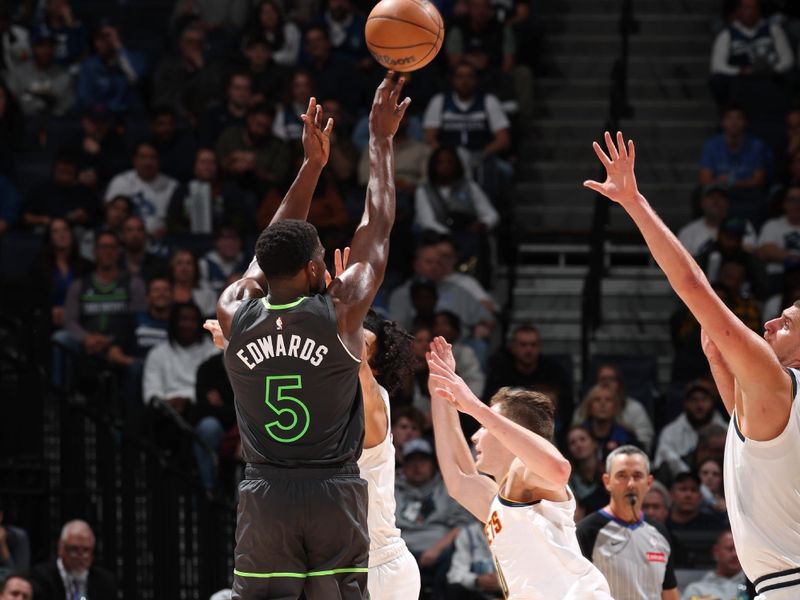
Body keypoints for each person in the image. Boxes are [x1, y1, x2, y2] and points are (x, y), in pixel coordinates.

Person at [215, 76, 409, 599]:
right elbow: (378, 227)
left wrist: (311, 166)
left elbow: (264, 254)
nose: (328, 262)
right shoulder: (341, 314)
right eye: (322, 257)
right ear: (310, 268)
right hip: (332, 490)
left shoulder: (233, 312)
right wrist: (381, 140)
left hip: (266, 490)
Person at [585, 130, 800, 597]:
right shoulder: (776, 401)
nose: (768, 324)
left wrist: (635, 203)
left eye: (785, 323)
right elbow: (746, 428)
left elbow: (693, 285)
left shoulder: (780, 384)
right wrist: (720, 363)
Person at [427, 336, 612, 598]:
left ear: (510, 433)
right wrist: (439, 390)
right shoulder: (500, 500)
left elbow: (559, 469)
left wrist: (474, 406)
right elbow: (459, 476)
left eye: (486, 426)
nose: (475, 435)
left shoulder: (527, 475)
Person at [576, 446, 679, 600]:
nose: (630, 484)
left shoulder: (660, 532)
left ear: (649, 482)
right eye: (622, 475)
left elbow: (669, 593)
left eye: (637, 476)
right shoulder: (587, 531)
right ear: (607, 481)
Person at [394, 437, 470, 596]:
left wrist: (437, 549)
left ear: (433, 464)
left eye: (422, 460)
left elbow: (462, 525)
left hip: (440, 551)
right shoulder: (391, 489)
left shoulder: (448, 488)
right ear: (404, 466)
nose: (417, 466)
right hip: (400, 553)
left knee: (457, 552)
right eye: (411, 461)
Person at [653, 378, 729, 482]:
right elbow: (660, 466)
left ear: (713, 402)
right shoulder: (670, 432)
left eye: (704, 399)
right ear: (685, 403)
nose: (699, 405)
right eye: (694, 400)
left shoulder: (728, 430)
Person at [104, 142, 179, 239]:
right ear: (134, 160)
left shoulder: (172, 186)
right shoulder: (121, 182)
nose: (148, 162)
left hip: (161, 240)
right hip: (123, 239)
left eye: (153, 157)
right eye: (142, 157)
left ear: (159, 160)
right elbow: (112, 217)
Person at [29, 520, 116, 600]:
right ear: (61, 549)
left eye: (86, 550)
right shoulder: (41, 578)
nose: (80, 556)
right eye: (74, 549)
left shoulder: (105, 581)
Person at [76, 23, 145, 115]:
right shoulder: (90, 64)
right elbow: (84, 96)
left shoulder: (135, 58)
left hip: (127, 115)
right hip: (99, 116)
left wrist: (119, 48)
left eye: (106, 38)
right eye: (98, 39)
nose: (99, 43)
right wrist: (99, 110)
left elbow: (135, 78)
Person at [677, 183, 757, 256]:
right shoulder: (687, 232)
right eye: (711, 196)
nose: (716, 200)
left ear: (728, 202)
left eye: (721, 197)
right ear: (702, 202)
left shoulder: (742, 224)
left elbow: (750, 252)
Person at [7, 30, 73, 116]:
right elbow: (10, 103)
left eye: (50, 46)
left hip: (55, 124)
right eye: (41, 45)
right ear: (32, 47)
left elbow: (67, 106)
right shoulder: (18, 74)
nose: (46, 50)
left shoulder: (65, 75)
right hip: (23, 123)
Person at [574, 384, 640, 461]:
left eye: (608, 400)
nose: (602, 404)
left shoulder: (628, 437)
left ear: (615, 407)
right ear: (589, 407)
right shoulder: (576, 436)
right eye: (597, 400)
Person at [681, 530, 747, 600]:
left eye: (738, 549)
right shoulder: (696, 590)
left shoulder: (754, 584)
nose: (735, 554)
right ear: (716, 551)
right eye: (729, 549)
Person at [444, 521, 501, 600]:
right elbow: (455, 575)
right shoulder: (467, 533)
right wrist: (476, 580)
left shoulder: (513, 532)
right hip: (476, 592)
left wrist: (500, 581)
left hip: (506, 591)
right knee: (454, 589)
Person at [565, 425, 609, 514]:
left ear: (594, 443)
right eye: (573, 443)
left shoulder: (609, 470)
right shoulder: (569, 481)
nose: (578, 445)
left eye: (582, 439)